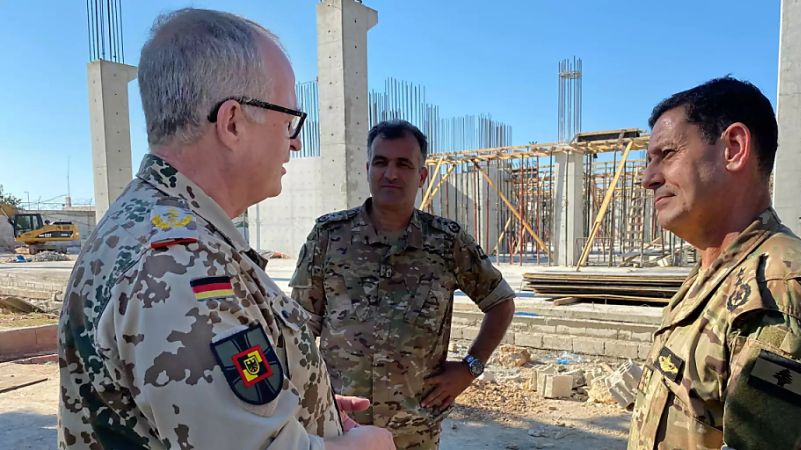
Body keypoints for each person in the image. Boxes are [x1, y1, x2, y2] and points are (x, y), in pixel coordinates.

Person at [57, 8, 394, 450]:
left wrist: (311, 403)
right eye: (289, 119)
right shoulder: (177, 263)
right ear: (233, 122)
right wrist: (367, 446)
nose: (294, 141)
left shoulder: (162, 231)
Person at [627, 77, 801, 450]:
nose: (648, 179)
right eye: (648, 161)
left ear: (734, 148)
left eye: (667, 154)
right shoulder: (719, 275)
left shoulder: (780, 293)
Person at [290, 120, 517, 449]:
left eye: (403, 164)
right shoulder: (329, 236)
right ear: (368, 169)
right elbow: (299, 324)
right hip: (340, 421)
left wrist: (471, 367)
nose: (391, 174)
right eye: (381, 162)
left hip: (415, 425)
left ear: (422, 176)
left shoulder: (445, 241)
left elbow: (500, 302)